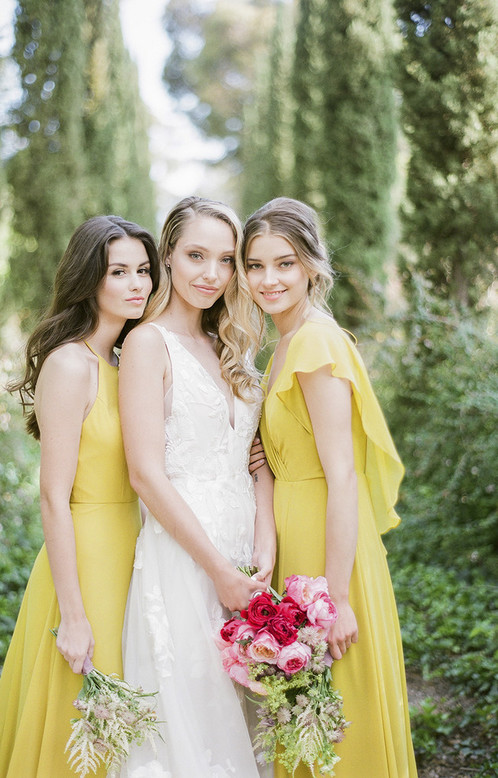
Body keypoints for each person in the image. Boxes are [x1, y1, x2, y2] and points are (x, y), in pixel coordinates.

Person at [0, 215, 159, 778]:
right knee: (85, 710)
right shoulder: (70, 364)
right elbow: (52, 496)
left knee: (129, 704)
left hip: (136, 547)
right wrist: (73, 615)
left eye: (144, 271)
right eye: (119, 272)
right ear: (88, 280)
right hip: (86, 556)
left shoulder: (125, 362)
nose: (137, 285)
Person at [242, 197, 418, 778]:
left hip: (326, 545)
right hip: (296, 534)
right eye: (256, 264)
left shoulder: (315, 343)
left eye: (285, 263)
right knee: (308, 709)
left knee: (337, 707)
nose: (269, 279)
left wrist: (337, 596)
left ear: (313, 266)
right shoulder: (284, 344)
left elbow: (342, 474)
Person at [119, 196, 276, 777]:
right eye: (196, 255)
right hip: (186, 557)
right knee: (192, 716)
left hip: (246, 555)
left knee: (244, 717)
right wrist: (217, 570)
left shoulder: (230, 347)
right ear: (167, 256)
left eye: (227, 260)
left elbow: (254, 459)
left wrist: (265, 541)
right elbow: (144, 474)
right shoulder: (146, 344)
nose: (213, 274)